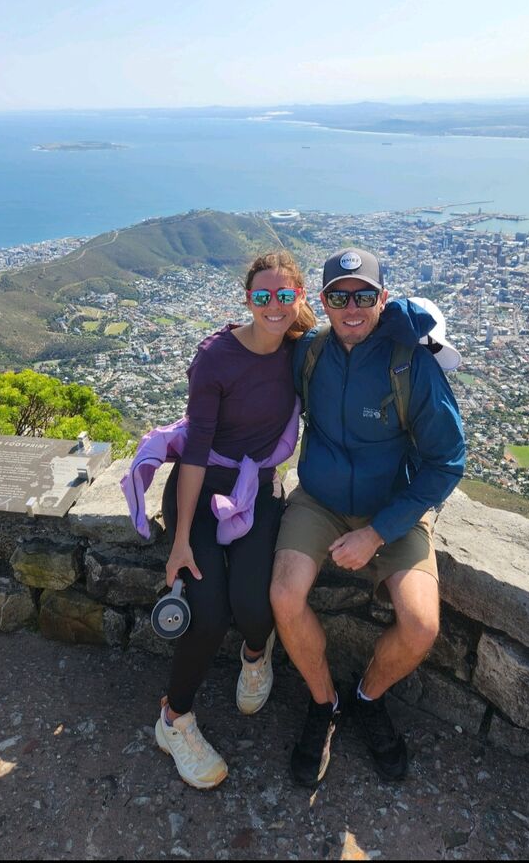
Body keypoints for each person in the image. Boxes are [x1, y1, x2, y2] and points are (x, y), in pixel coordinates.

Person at [270, 247, 466, 787]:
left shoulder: (410, 365)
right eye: (338, 296)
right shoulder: (309, 353)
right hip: (320, 500)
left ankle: (367, 697)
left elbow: (448, 459)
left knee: (421, 624)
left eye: (362, 295)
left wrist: (378, 531)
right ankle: (324, 702)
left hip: (393, 508)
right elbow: (256, 365)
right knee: (285, 596)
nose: (350, 308)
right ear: (324, 302)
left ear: (383, 298)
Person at [154, 250, 315, 789]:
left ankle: (255, 652)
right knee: (208, 612)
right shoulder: (216, 359)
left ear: (299, 299)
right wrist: (179, 542)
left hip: (258, 489)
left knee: (255, 602)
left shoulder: (300, 351)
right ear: (247, 299)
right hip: (199, 494)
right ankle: (174, 720)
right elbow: (195, 452)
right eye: (263, 296)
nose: (274, 306)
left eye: (284, 296)